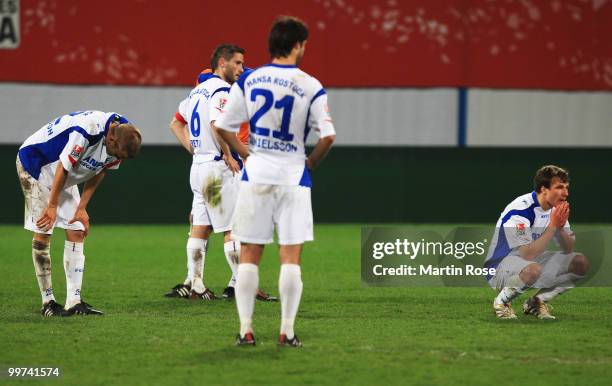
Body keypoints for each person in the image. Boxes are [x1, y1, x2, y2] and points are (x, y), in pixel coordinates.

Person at [216, 16, 336, 347]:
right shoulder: (311, 85)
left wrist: (247, 152)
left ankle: (245, 330)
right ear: (298, 46)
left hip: (256, 174)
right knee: (290, 256)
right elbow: (328, 136)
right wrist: (309, 161)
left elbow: (223, 126)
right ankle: (286, 331)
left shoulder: (250, 81)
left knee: (251, 254)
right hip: (294, 176)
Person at [17, 110, 142, 316]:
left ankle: (74, 301)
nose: (118, 159)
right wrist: (52, 206)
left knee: (77, 229)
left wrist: (82, 207)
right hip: (37, 164)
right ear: (111, 139)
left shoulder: (121, 138)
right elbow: (63, 167)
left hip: (63, 172)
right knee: (44, 231)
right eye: (118, 154)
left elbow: (101, 169)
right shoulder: (88, 130)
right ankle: (48, 302)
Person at [165, 44, 245, 300]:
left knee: (200, 226)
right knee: (231, 227)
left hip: (198, 166)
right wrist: (228, 153)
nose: (241, 69)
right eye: (238, 64)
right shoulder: (222, 90)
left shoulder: (195, 92)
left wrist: (192, 146)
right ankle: (242, 285)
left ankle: (196, 285)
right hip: (215, 169)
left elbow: (176, 123)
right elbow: (217, 124)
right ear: (222, 64)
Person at [484, 165, 589, 320]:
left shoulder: (555, 208)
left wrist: (560, 227)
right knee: (533, 269)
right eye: (559, 187)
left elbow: (569, 249)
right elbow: (526, 254)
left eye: (567, 187)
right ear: (543, 189)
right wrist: (553, 226)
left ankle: (536, 302)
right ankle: (501, 303)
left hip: (529, 263)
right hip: (500, 267)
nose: (566, 193)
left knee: (579, 263)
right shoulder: (520, 210)